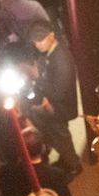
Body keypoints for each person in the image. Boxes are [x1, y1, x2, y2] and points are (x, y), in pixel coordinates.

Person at [28, 20, 82, 178]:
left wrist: (38, 77)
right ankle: (66, 160)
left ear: (51, 36)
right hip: (53, 105)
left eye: (41, 39)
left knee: (61, 135)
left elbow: (59, 93)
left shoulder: (61, 59)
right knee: (58, 134)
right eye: (35, 41)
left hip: (60, 107)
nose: (38, 44)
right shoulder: (51, 52)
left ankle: (73, 166)